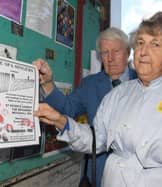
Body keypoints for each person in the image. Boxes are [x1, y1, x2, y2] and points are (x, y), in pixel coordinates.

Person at [34, 11, 162, 187]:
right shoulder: (117, 94)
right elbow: (96, 138)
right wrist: (61, 121)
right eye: (140, 43)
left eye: (155, 44)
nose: (143, 51)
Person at [33, 27, 137, 187]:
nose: (110, 58)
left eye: (116, 51)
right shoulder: (90, 84)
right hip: (98, 173)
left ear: (128, 52)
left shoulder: (143, 82)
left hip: (136, 176)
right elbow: (67, 108)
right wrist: (47, 83)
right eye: (104, 53)